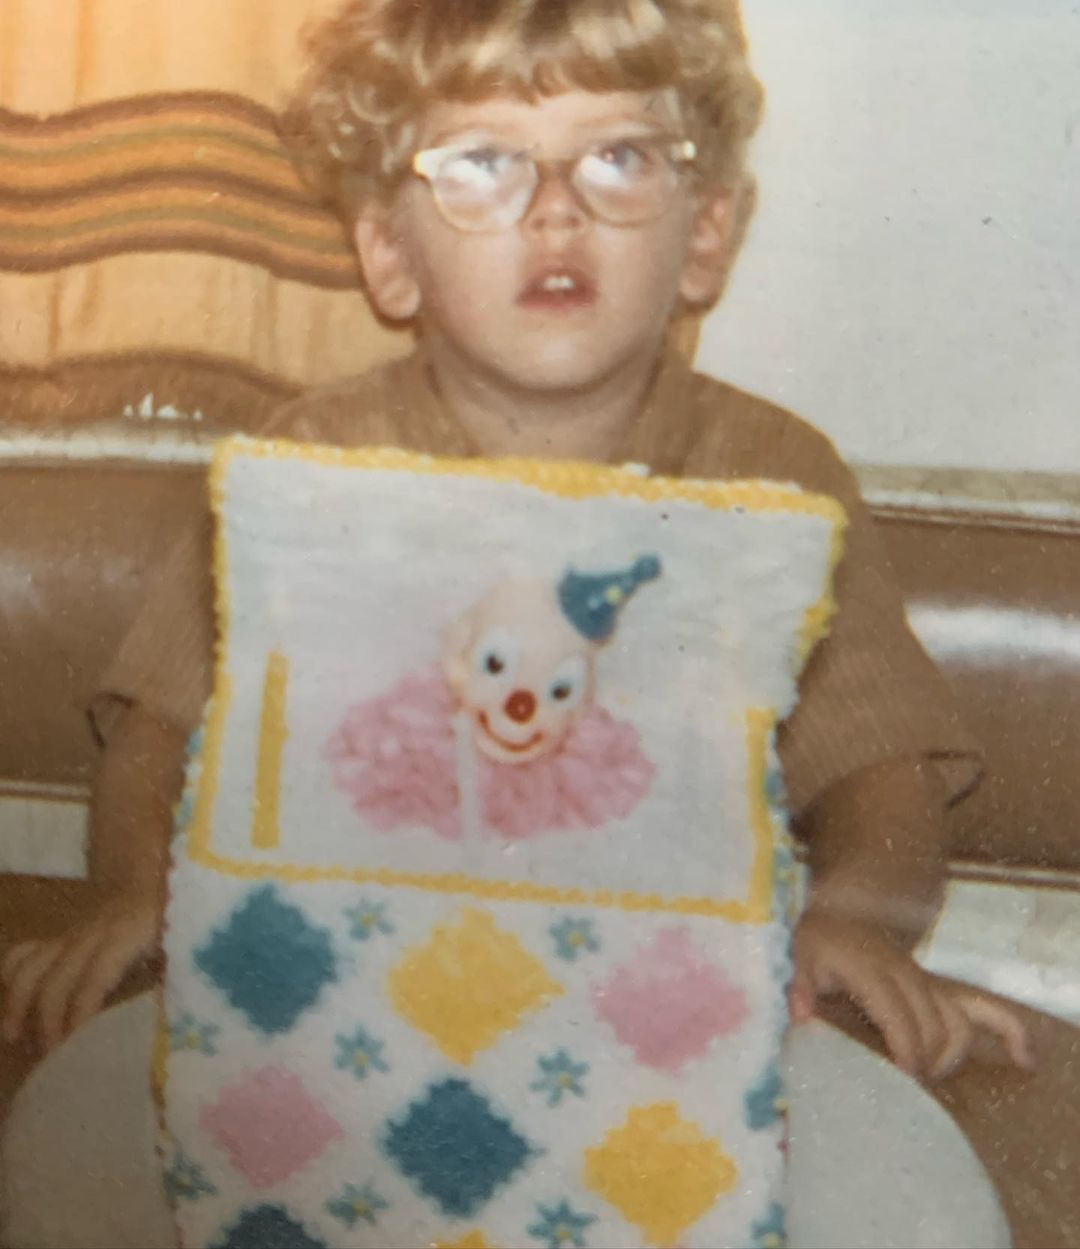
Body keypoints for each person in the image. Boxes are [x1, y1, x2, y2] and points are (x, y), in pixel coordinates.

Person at [2, 0, 1031, 1093]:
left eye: (619, 157)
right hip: (354, 1016)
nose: (555, 211)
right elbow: (158, 735)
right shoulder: (304, 465)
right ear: (390, 254)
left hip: (661, 1030)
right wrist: (140, 897)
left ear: (705, 234)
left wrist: (856, 922)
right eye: (484, 164)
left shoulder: (777, 480)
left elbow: (883, 773)